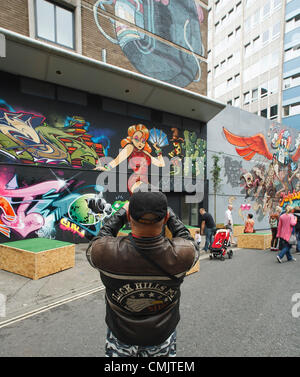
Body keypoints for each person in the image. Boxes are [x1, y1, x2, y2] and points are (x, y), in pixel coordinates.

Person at [86, 191, 199, 357]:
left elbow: (100, 239)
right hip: (161, 336)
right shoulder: (183, 254)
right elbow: (187, 239)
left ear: (130, 216)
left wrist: (121, 214)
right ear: (166, 218)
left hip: (120, 336)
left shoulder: (105, 252)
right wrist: (171, 216)